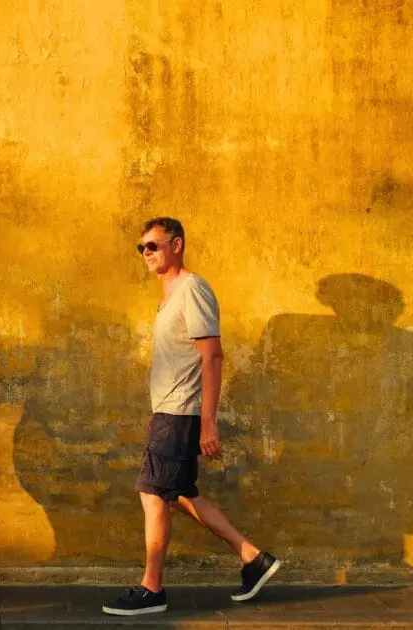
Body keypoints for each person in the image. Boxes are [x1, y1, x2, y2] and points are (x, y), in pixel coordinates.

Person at [102, 217, 280, 616]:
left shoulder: (192, 289)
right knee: (179, 493)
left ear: (176, 244)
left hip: (183, 412)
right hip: (170, 410)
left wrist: (208, 422)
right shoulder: (171, 295)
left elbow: (212, 356)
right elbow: (176, 360)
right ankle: (253, 558)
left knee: (152, 493)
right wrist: (158, 410)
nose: (146, 253)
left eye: (153, 245)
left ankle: (152, 589)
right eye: (141, 247)